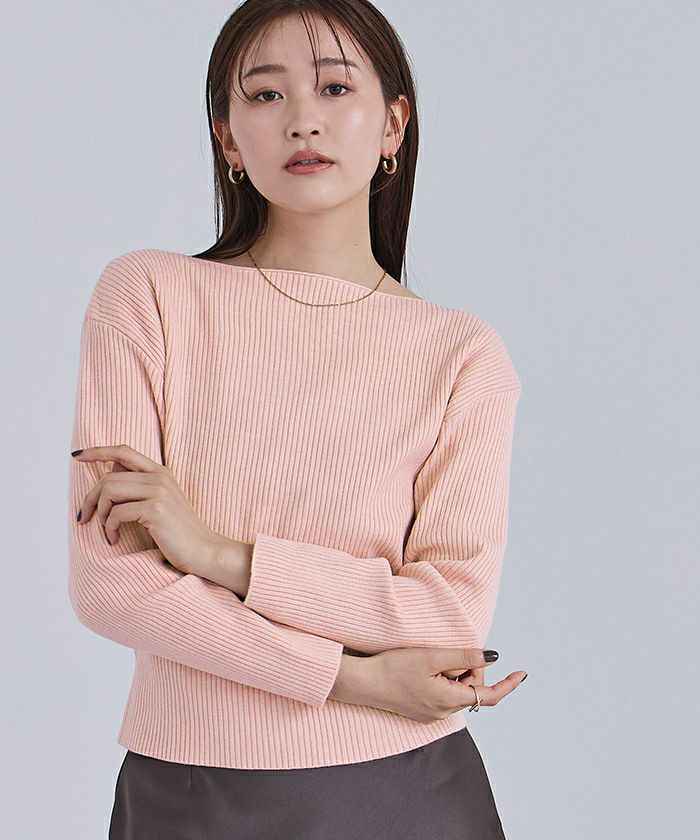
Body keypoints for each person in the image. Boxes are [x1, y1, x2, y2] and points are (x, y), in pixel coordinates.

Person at [67, 1, 528, 837]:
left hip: (406, 790)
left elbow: (448, 616)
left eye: (335, 88)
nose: (303, 120)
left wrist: (217, 554)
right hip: (190, 792)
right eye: (267, 94)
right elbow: (115, 588)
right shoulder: (149, 297)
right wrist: (352, 677)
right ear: (227, 138)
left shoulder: (460, 353)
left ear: (393, 124)